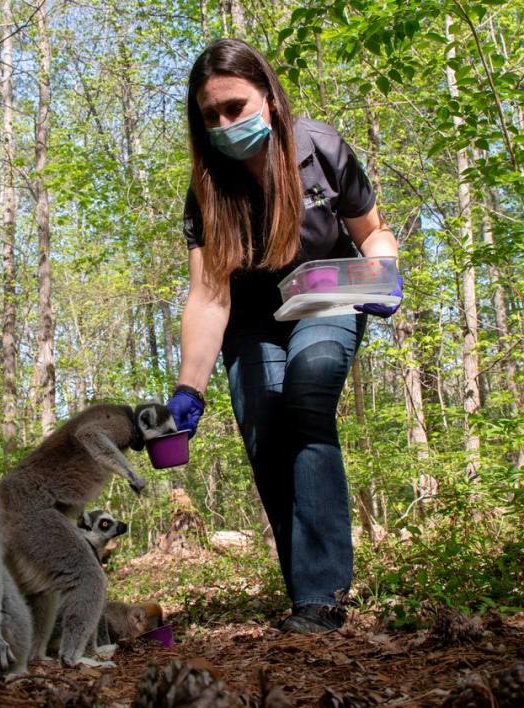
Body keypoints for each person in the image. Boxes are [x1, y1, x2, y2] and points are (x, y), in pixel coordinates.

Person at [164, 38, 402, 634]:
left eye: (235, 106)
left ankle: (323, 596)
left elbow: (373, 233)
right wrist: (188, 389)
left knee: (308, 393)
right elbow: (209, 295)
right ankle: (310, 593)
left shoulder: (320, 148)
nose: (225, 123)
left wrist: (384, 276)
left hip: (327, 294)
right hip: (251, 317)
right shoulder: (207, 191)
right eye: (211, 115)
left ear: (268, 98)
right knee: (266, 427)